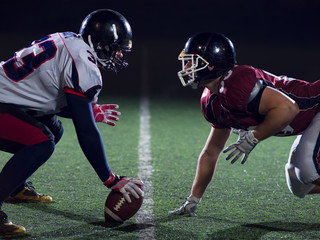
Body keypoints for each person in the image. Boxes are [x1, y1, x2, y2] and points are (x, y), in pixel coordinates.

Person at [0, 9, 144, 235]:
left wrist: (86, 110)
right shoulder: (84, 63)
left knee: (53, 130)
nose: (119, 56)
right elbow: (86, 131)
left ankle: (15, 188)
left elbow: (45, 96)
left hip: (9, 99)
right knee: (42, 142)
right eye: (116, 49)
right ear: (100, 43)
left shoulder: (70, 39)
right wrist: (110, 179)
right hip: (3, 103)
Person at [169, 32, 320, 217]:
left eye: (193, 61)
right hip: (310, 119)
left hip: (317, 107)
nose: (186, 67)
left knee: (308, 171)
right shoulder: (212, 102)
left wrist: (254, 137)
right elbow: (210, 152)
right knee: (299, 185)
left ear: (211, 64)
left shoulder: (237, 83)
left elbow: (289, 109)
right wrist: (193, 199)